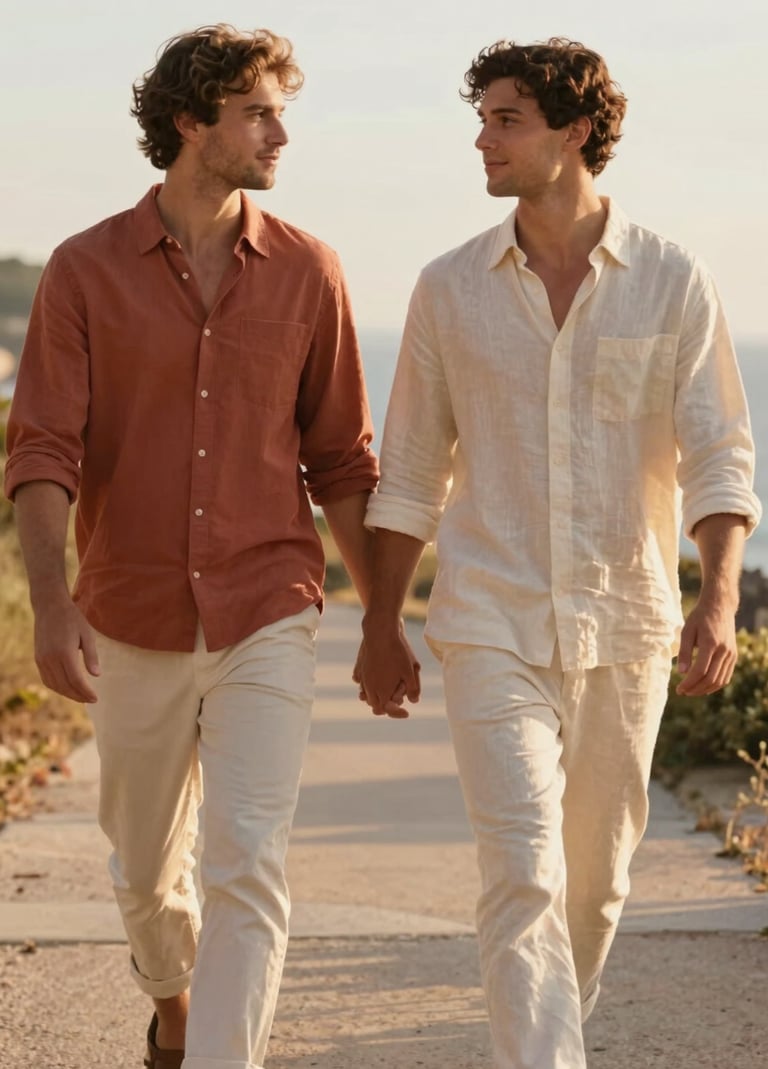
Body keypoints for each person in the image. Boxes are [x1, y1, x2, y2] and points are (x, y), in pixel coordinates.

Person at [356, 37, 761, 1069]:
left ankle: (545, 1036)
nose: (483, 141)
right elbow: (411, 471)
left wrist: (717, 599)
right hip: (489, 617)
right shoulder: (449, 288)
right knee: (524, 867)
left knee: (598, 886)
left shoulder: (671, 280)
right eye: (482, 119)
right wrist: (381, 620)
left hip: (626, 622)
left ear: (576, 131)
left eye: (507, 120)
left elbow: (719, 455)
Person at [4, 24, 381, 1069]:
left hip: (269, 604)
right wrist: (52, 604)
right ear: (189, 121)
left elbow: (342, 459)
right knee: (142, 870)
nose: (280, 135)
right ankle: (172, 1006)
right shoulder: (84, 271)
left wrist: (384, 618)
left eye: (280, 113)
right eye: (258, 113)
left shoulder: (309, 270)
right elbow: (42, 447)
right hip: (130, 611)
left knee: (248, 861)